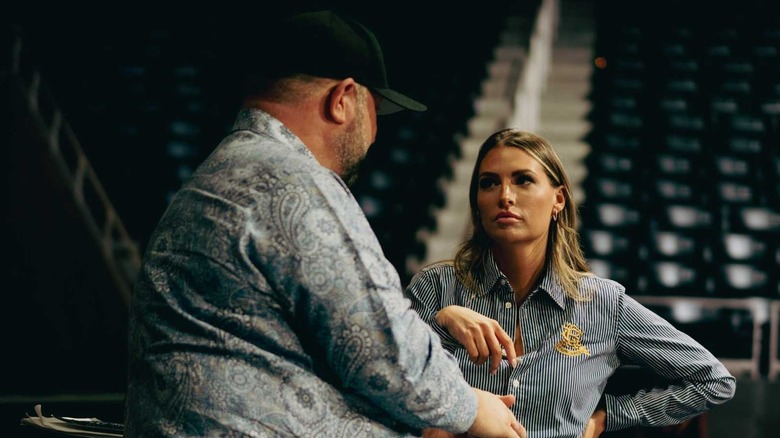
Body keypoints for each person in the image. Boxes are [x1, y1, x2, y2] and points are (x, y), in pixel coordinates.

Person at [123, 10, 527, 438]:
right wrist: (472, 407)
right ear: (342, 99)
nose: (374, 136)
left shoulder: (215, 174)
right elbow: (382, 350)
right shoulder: (294, 183)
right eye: (375, 112)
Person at [403, 128, 736, 438]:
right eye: (489, 183)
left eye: (523, 181)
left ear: (558, 200)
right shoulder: (436, 287)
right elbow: (386, 379)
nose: (505, 195)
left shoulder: (603, 303)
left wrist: (610, 415)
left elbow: (713, 381)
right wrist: (441, 320)